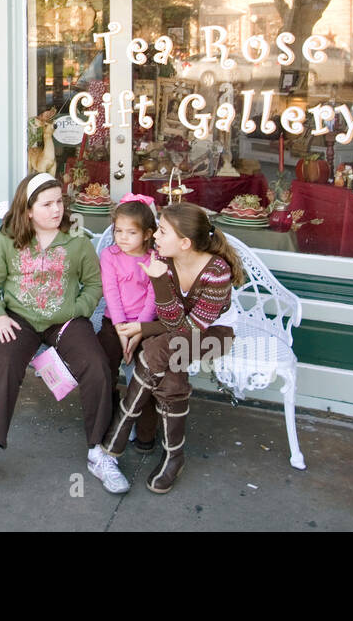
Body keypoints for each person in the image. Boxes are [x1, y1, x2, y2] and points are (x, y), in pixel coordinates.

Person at [0, 172, 128, 493]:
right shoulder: (8, 240)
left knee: (97, 367)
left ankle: (99, 452)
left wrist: (79, 310)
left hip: (64, 320)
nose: (56, 209)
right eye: (47, 204)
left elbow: (94, 284)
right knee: (6, 365)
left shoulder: (77, 242)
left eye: (59, 202)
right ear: (28, 210)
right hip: (19, 319)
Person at [97, 201, 245, 494]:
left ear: (185, 242)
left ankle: (118, 435)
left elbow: (189, 329)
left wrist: (142, 325)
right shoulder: (163, 260)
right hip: (173, 333)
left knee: (157, 351)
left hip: (215, 334)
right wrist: (143, 323)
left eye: (162, 232)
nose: (155, 238)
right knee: (171, 370)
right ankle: (173, 455)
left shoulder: (216, 271)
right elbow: (170, 321)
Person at [97, 193, 163, 451]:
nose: (122, 237)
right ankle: (109, 423)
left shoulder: (155, 259)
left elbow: (153, 297)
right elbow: (111, 293)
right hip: (114, 323)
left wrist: (139, 330)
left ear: (147, 234)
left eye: (131, 232)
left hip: (145, 326)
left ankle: (145, 433)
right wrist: (121, 330)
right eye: (118, 231)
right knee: (103, 368)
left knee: (145, 376)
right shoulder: (109, 255)